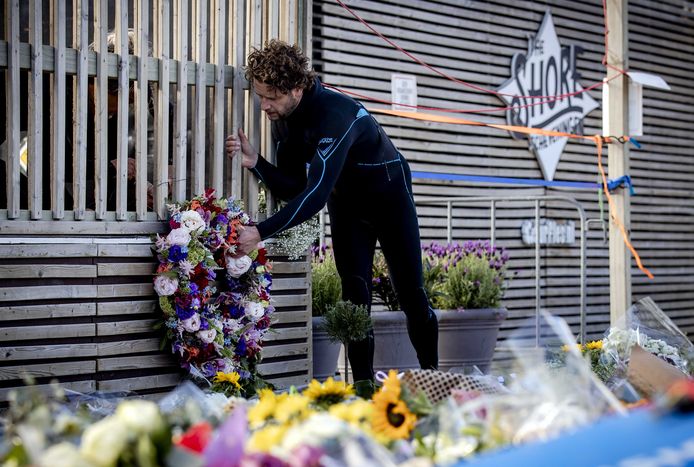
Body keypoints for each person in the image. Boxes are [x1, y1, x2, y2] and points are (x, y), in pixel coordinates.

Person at [225, 39, 438, 383]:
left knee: (411, 294)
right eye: (260, 96)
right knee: (354, 299)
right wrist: (257, 163)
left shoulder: (337, 114)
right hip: (349, 205)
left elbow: (315, 195)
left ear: (296, 88)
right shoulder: (284, 119)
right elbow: (295, 186)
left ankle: (435, 378)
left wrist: (259, 233)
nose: (264, 105)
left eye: (271, 97)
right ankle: (364, 389)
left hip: (390, 199)